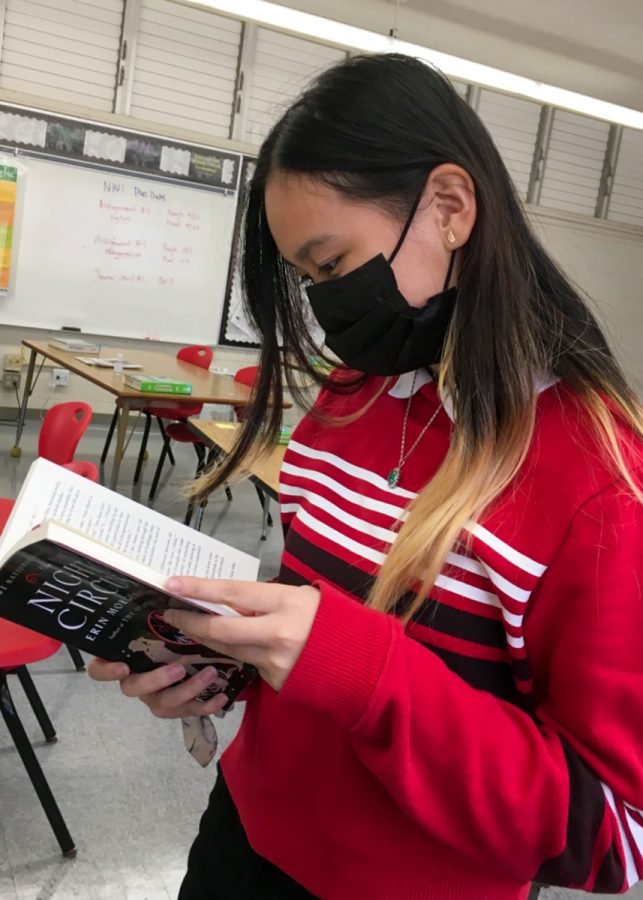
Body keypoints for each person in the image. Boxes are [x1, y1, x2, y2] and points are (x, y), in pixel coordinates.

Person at [90, 54, 643, 900]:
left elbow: (615, 836)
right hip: (244, 832)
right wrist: (207, 665)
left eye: (334, 264)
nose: (325, 305)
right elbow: (315, 639)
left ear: (450, 208)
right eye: (306, 279)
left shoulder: (597, 485)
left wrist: (365, 670)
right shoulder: (349, 400)